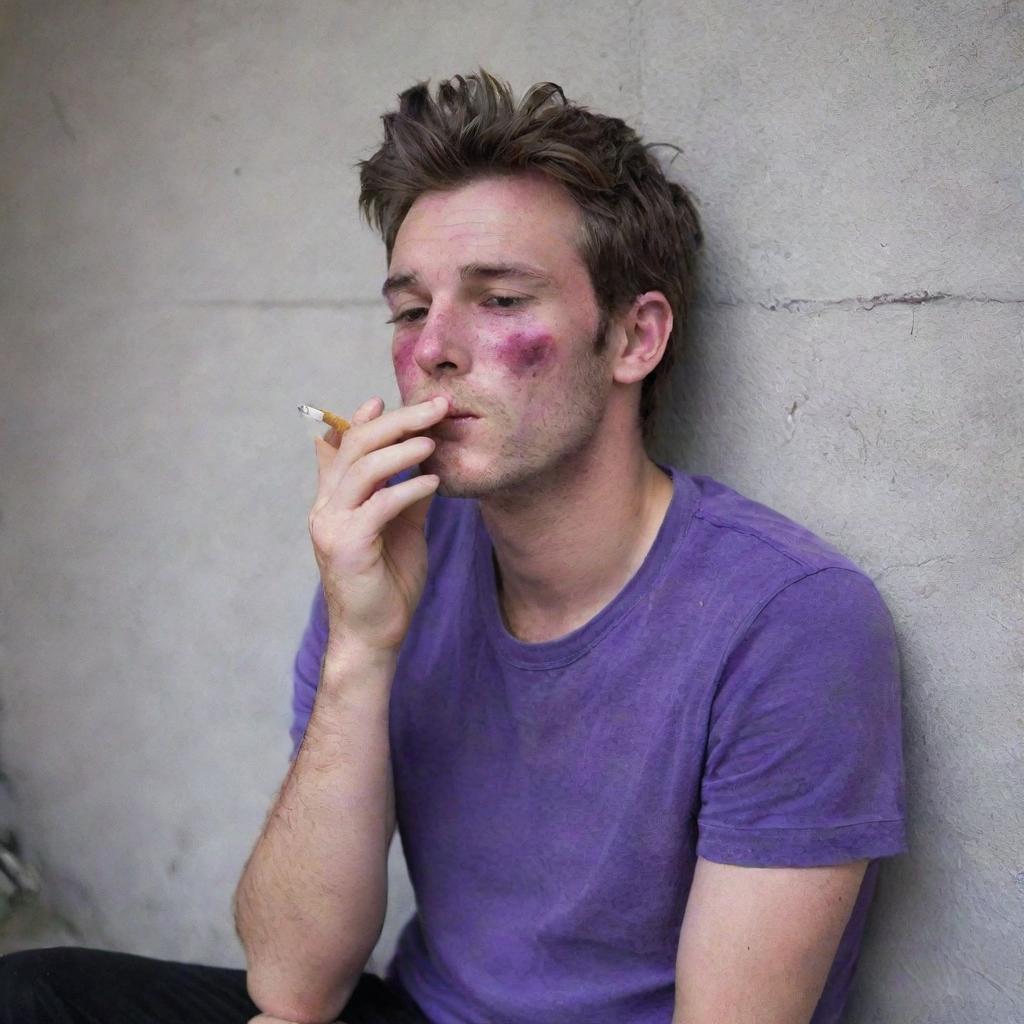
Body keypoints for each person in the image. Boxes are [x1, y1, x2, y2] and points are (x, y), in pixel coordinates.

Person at [0, 69, 907, 1024]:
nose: (432, 348)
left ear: (634, 338)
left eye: (501, 299)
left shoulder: (790, 619)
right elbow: (294, 985)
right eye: (407, 309)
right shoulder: (397, 562)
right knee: (36, 996)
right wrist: (361, 646)